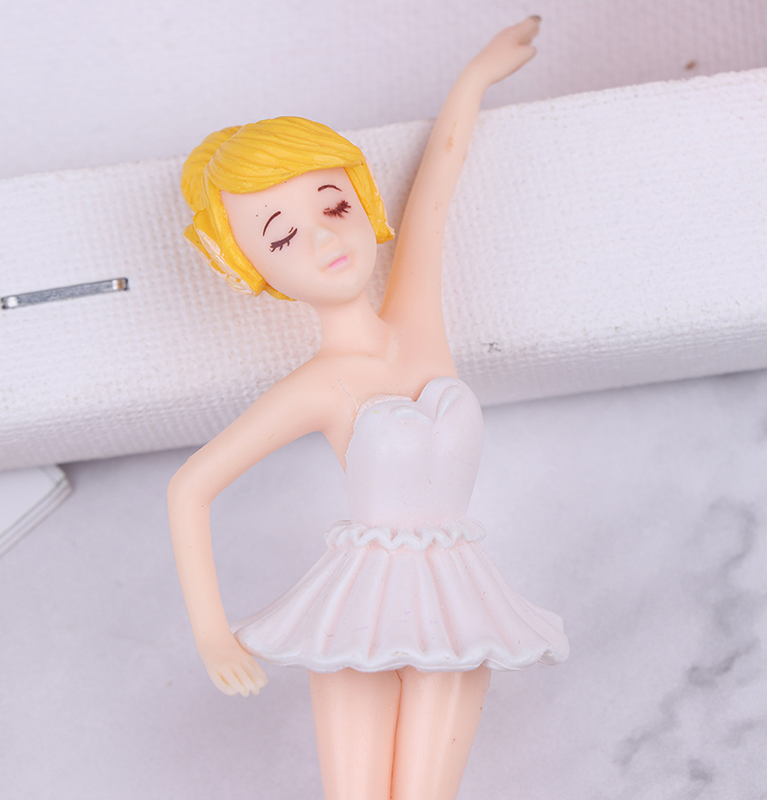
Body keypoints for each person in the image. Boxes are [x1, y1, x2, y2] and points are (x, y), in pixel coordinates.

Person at [169, 16, 567, 800]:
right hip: (356, 610)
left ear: (363, 200)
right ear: (250, 268)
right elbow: (190, 487)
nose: (323, 241)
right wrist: (213, 634)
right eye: (281, 238)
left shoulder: (416, 317)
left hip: (456, 601)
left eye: (333, 206)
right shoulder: (320, 386)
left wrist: (475, 77)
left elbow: (438, 187)